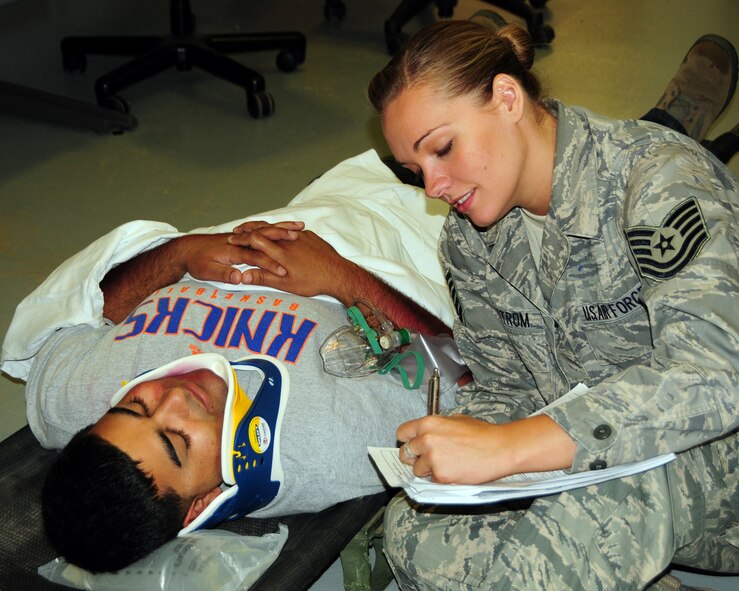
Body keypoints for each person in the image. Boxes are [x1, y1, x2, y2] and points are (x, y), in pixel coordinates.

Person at [349, 19, 738, 591]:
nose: (432, 185)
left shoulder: (657, 180)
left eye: (442, 149)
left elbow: (716, 373)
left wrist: (510, 448)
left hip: (710, 457)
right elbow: (506, 386)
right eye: (416, 170)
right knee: (414, 530)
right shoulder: (469, 239)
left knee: (573, 532)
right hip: (594, 469)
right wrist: (462, 445)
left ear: (507, 98)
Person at [1, 154, 457, 573]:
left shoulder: (65, 401)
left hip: (323, 198)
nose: (174, 397)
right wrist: (339, 275)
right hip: (409, 231)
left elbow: (80, 302)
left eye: (135, 406)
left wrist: (182, 253)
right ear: (200, 505)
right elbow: (456, 368)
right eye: (178, 440)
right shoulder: (321, 447)